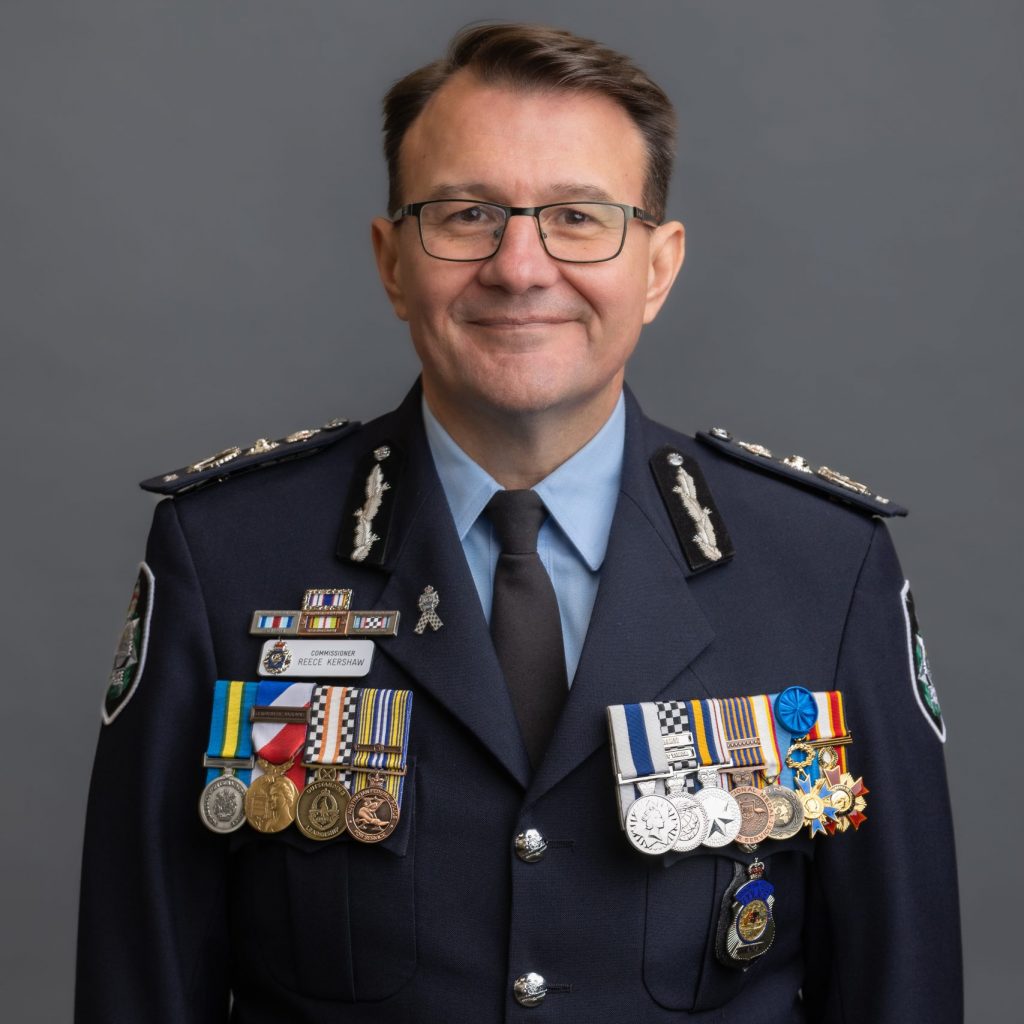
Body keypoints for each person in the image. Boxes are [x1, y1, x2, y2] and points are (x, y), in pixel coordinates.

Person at [76, 22, 963, 1024]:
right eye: (465, 214)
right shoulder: (228, 554)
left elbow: (905, 987)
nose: (518, 265)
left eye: (579, 217)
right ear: (392, 261)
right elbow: (137, 978)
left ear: (658, 266)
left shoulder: (822, 566)